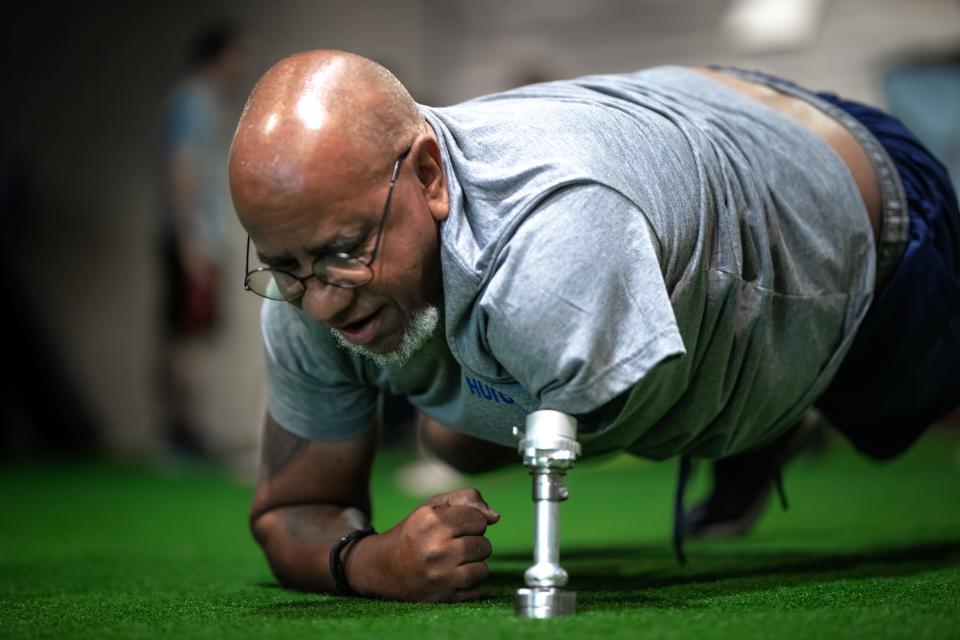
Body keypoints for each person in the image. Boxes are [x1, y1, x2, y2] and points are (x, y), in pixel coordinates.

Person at [228, 50, 960, 603]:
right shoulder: (305, 289)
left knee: (910, 406)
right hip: (685, 116)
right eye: (284, 265)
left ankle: (769, 421)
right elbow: (292, 510)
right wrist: (368, 563)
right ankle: (760, 423)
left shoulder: (553, 246)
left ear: (429, 177)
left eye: (346, 252)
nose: (320, 302)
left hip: (868, 201)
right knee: (451, 434)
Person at [157, 23, 245, 457]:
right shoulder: (192, 100)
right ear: (218, 55)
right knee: (183, 335)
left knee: (193, 334)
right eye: (236, 54)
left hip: (203, 240)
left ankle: (185, 432)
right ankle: (178, 434)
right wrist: (192, 239)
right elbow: (184, 167)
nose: (240, 64)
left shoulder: (208, 102)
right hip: (191, 241)